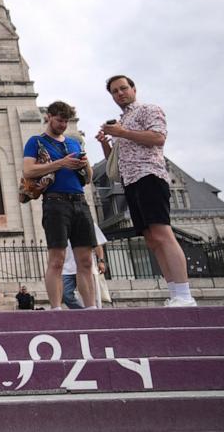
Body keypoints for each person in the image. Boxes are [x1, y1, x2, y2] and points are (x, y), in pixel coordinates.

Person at [98, 75, 195, 307]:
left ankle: (184, 294)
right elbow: (116, 162)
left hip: (150, 176)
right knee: (152, 239)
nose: (120, 93)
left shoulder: (148, 109)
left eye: (123, 88)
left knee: (163, 234)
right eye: (115, 91)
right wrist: (106, 142)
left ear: (133, 89)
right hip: (131, 182)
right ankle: (174, 293)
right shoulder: (124, 120)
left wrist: (121, 133)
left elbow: (158, 138)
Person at [23, 101, 97, 309]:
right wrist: (61, 163)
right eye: (59, 120)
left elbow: (89, 178)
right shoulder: (36, 141)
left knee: (86, 261)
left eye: (66, 121)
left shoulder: (74, 143)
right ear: (49, 117)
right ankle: (56, 309)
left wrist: (84, 165)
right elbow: (28, 171)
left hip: (79, 201)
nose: (63, 125)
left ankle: (90, 308)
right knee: (57, 260)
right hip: (55, 202)